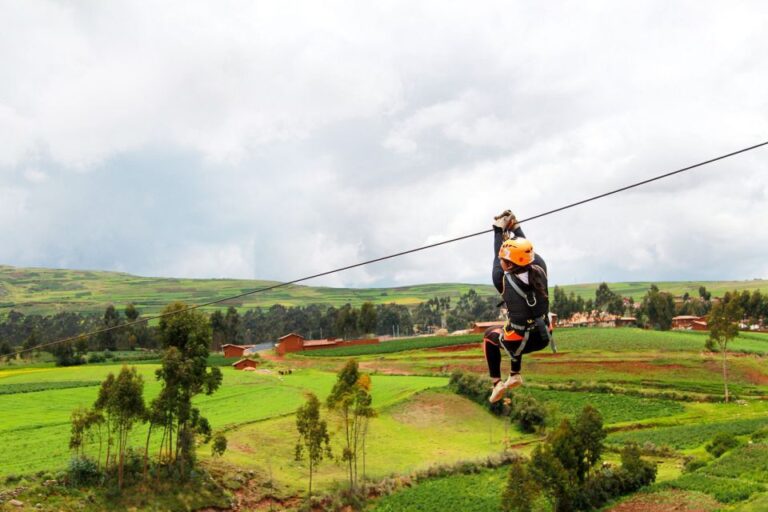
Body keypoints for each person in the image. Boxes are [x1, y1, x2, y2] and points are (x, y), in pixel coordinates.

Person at [484, 209, 552, 403]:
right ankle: (514, 374)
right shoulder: (541, 268)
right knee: (517, 327)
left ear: (511, 263)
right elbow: (528, 252)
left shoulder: (502, 280)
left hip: (519, 341)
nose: (502, 260)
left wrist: (498, 231)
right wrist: (515, 228)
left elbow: (498, 257)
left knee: (490, 336)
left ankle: (497, 383)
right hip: (543, 336)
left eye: (506, 258)